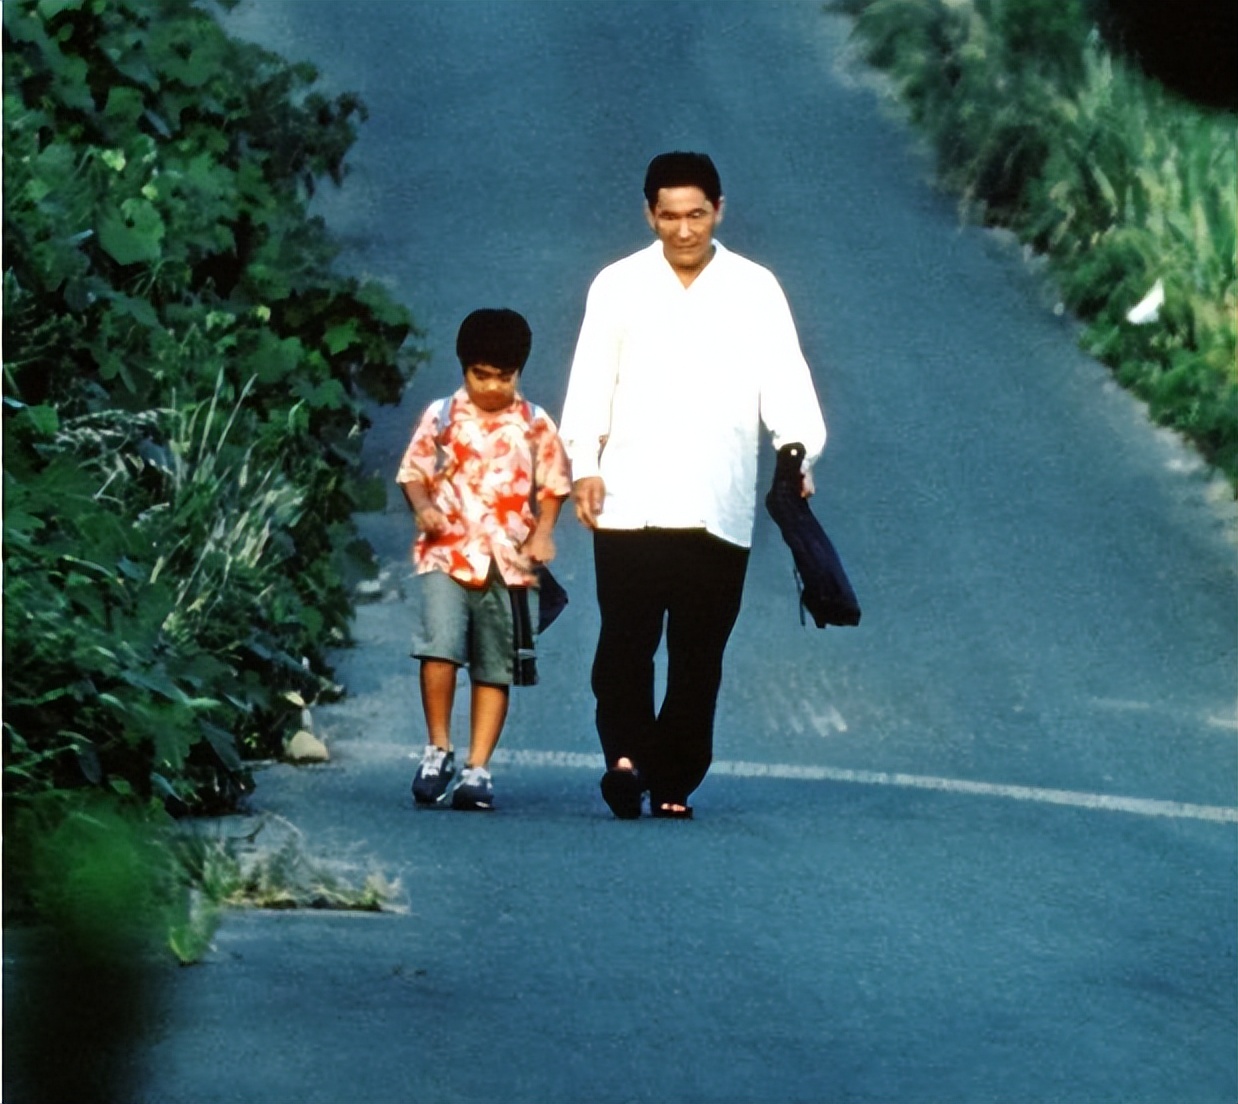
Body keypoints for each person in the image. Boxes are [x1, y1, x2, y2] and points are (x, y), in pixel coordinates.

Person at [558, 151, 827, 820]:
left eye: (697, 215)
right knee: (626, 637)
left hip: (718, 497)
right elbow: (591, 378)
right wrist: (583, 464)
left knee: (698, 650)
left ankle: (675, 775)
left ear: (719, 211)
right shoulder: (618, 285)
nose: (684, 230)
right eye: (669, 216)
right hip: (629, 493)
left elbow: (785, 379)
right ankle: (624, 756)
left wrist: (796, 452)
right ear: (649, 214)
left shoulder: (754, 288)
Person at [397, 308, 571, 810]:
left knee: (495, 664)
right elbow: (413, 470)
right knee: (440, 647)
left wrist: (543, 533)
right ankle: (438, 748)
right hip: (446, 551)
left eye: (504, 377)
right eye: (481, 376)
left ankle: (478, 767)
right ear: (463, 369)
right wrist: (424, 506)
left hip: (508, 561)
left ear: (519, 374)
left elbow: (553, 485)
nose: (492, 388)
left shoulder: (535, 423)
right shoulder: (444, 415)